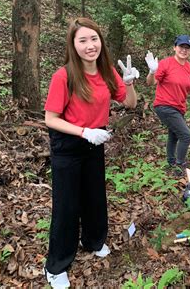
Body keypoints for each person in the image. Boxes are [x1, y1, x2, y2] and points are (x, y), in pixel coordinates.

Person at [43, 17, 138, 288]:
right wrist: (84, 131)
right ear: (73, 45)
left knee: (95, 196)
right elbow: (50, 118)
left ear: (101, 41)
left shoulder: (107, 70)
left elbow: (130, 104)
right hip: (68, 144)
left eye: (93, 39)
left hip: (95, 142)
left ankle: (94, 241)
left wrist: (129, 83)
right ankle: (56, 266)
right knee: (67, 204)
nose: (89, 45)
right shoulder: (64, 76)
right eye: (82, 40)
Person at [145, 35, 190, 173]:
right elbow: (151, 83)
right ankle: (179, 165)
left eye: (188, 48)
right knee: (186, 135)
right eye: (181, 47)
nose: (184, 50)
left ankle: (171, 162)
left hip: (179, 108)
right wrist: (152, 72)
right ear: (175, 47)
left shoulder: (189, 68)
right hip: (164, 106)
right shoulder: (166, 63)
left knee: (174, 135)